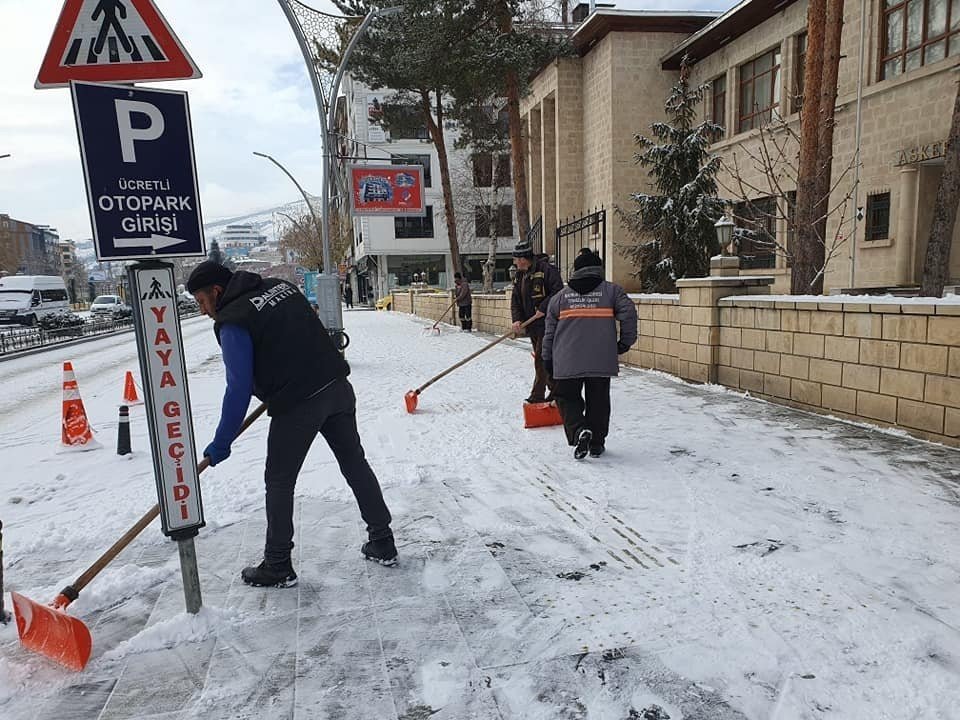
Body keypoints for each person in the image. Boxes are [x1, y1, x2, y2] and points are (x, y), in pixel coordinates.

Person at [187, 261, 397, 588]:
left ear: (216, 292)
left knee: (279, 480)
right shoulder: (280, 288)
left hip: (299, 404)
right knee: (355, 464)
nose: (202, 311)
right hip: (336, 387)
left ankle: (278, 563)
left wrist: (222, 441)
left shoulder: (233, 322)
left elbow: (238, 387)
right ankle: (382, 540)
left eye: (201, 301)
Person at [542, 249, 638, 460]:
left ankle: (578, 430)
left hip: (566, 359)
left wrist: (547, 358)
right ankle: (596, 444)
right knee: (599, 400)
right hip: (601, 358)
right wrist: (624, 343)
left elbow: (549, 333)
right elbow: (629, 314)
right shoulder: (612, 292)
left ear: (575, 271)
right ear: (599, 269)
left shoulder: (559, 298)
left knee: (567, 397)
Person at [510, 239, 564, 403]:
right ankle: (556, 392)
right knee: (543, 359)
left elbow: (558, 293)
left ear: (524, 259)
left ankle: (538, 395)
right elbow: (516, 299)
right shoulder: (520, 275)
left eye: (516, 259)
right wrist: (517, 320)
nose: (515, 262)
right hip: (533, 325)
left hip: (549, 324)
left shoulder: (547, 271)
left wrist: (544, 307)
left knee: (542, 359)